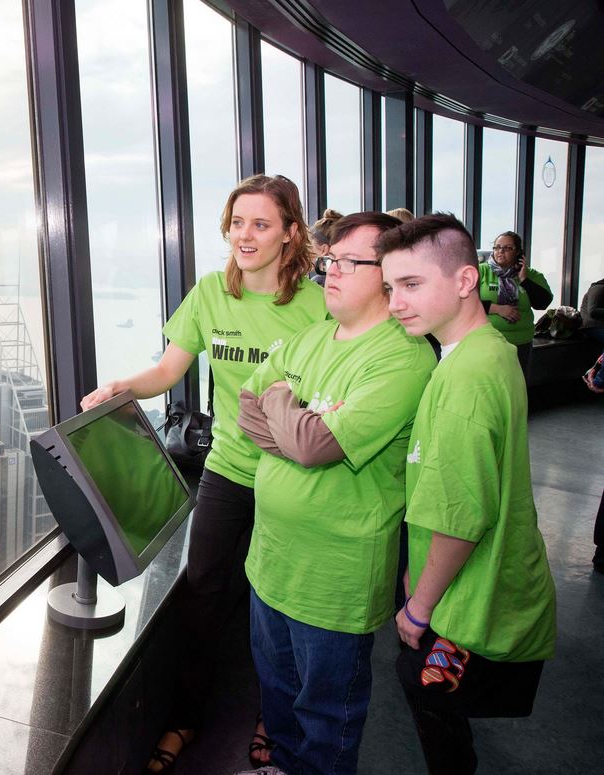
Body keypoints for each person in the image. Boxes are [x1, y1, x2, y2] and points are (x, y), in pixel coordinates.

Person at [80, 174, 326, 773]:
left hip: (292, 477)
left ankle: (276, 717)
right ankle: (185, 717)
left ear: (291, 233)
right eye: (238, 222)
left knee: (283, 604)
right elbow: (168, 371)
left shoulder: (318, 307)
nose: (246, 235)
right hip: (229, 469)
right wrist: (119, 385)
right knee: (202, 594)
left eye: (261, 224)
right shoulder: (213, 292)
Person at [233, 212, 436, 775]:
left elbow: (316, 447)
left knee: (327, 718)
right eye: (330, 260)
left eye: (350, 262)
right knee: (277, 695)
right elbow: (246, 409)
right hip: (270, 562)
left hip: (334, 578)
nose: (332, 271)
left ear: (389, 275)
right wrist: (294, 423)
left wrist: (287, 410)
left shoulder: (403, 357)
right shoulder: (313, 335)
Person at [379, 214, 557, 775]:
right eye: (389, 287)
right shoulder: (488, 349)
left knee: (425, 688)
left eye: (411, 285)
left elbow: (463, 517)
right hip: (481, 583)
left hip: (462, 603)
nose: (394, 304)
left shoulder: (464, 383)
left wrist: (419, 607)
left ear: (463, 281)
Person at [479, 230, 553, 370]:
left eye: (508, 248)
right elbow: (462, 302)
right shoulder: (480, 271)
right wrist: (496, 308)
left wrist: (524, 280)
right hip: (487, 341)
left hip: (521, 343)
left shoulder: (532, 275)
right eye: (497, 247)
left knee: (517, 387)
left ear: (518, 252)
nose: (501, 251)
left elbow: (542, 303)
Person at [307, 209, 343, 287]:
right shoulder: (351, 277)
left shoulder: (319, 283)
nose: (307, 252)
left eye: (310, 247)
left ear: (324, 249)